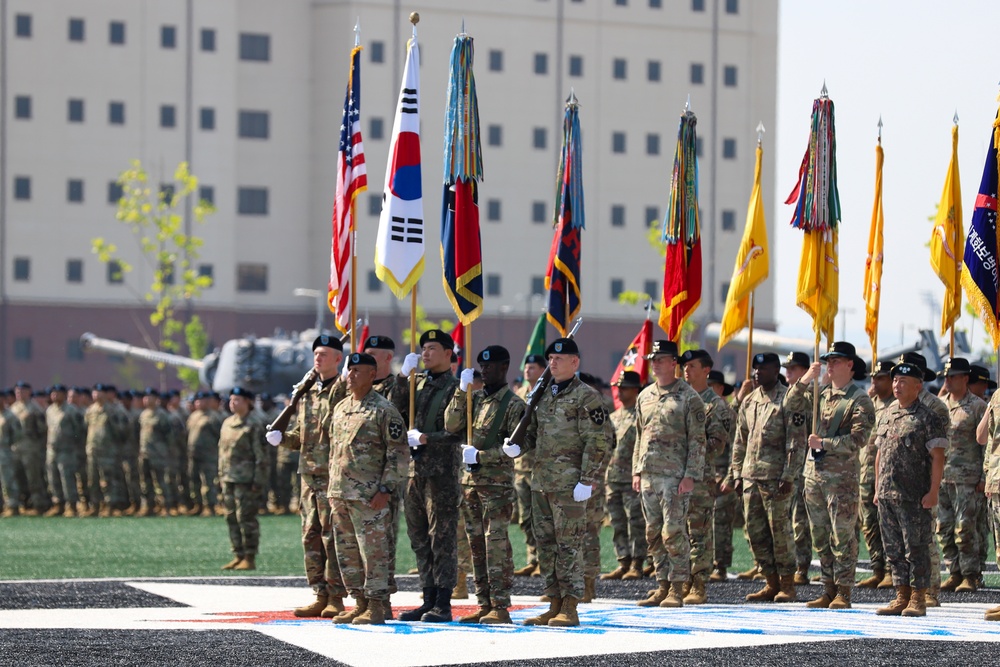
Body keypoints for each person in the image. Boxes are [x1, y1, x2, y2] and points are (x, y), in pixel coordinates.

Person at [509, 337, 611, 627]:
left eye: (559, 358)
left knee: (569, 546)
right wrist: (517, 446)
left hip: (569, 485)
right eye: (550, 359)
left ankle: (570, 606)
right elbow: (533, 433)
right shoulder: (543, 394)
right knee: (547, 545)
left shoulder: (586, 396)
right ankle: (553, 603)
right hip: (541, 481)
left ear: (575, 362)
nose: (552, 362)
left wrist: (587, 479)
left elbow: (597, 441)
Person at [266, 334, 349, 618]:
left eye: (324, 354)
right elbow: (303, 436)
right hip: (308, 474)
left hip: (331, 474)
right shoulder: (307, 393)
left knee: (332, 536)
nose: (318, 358)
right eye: (316, 353)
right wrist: (282, 439)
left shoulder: (342, 389)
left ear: (338, 359)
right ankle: (319, 593)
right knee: (310, 535)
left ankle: (336, 596)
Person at [790, 342, 876, 609]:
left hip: (841, 480)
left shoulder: (859, 399)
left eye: (836, 361)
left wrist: (824, 444)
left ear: (850, 365)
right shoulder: (820, 393)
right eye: (829, 360)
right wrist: (807, 379)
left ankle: (843, 591)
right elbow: (789, 403)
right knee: (819, 535)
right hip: (814, 475)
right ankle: (827, 588)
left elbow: (859, 439)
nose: (831, 365)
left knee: (842, 536)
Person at [444, 345, 526, 624]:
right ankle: (484, 603)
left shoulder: (514, 405)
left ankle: (500, 606)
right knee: (476, 544)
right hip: (469, 484)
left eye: (490, 366)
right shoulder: (473, 399)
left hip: (496, 486)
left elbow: (517, 447)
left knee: (497, 545)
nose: (485, 370)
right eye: (482, 366)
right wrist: (460, 390)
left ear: (504, 367)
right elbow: (451, 424)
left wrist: (482, 456)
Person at [325, 353, 407, 625]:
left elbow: (398, 454)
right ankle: (359, 601)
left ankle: (377, 604)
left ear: (372, 375)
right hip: (340, 493)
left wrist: (385, 489)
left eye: (357, 371)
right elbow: (334, 450)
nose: (350, 375)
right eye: (349, 371)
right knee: (346, 551)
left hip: (369, 495)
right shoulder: (340, 408)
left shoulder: (384, 410)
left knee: (373, 551)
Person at [723, 352, 808, 603]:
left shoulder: (789, 399)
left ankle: (787, 585)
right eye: (755, 370)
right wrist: (737, 474)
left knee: (780, 533)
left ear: (776, 370)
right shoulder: (750, 401)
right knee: (756, 531)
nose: (758, 373)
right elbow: (740, 441)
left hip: (776, 478)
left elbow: (797, 441)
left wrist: (789, 474)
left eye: (764, 369)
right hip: (750, 477)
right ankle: (769, 581)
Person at [390, 329, 462, 623]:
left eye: (432, 349)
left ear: (448, 353)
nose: (425, 354)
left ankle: (443, 602)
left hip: (441, 472)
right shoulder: (415, 385)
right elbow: (395, 409)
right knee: (419, 537)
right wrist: (402, 377)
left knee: (441, 538)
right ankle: (427, 598)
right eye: (423, 349)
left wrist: (426, 439)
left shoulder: (455, 388)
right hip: (413, 472)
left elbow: (457, 432)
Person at [633, 341, 707, 609]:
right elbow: (639, 437)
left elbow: (699, 440)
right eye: (653, 359)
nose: (655, 363)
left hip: (675, 477)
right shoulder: (645, 396)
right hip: (649, 475)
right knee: (652, 533)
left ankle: (677, 587)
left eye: (661, 359)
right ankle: (661, 585)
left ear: (673, 363)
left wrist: (691, 475)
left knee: (673, 531)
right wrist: (637, 471)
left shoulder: (689, 397)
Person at [873, 362, 947, 617]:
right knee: (893, 550)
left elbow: (938, 457)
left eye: (903, 382)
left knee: (915, 548)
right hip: (886, 494)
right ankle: (900, 595)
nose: (897, 385)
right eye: (895, 381)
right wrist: (876, 488)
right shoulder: (887, 414)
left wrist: (933, 491)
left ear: (918, 386)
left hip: (914, 495)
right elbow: (880, 454)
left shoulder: (928, 417)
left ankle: (918, 597)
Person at [680, 349, 734, 603]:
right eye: (684, 366)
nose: (686, 370)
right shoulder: (678, 399)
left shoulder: (716, 405)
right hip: (674, 475)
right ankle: (681, 581)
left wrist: (686, 446)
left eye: (692, 366)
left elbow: (717, 444)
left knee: (699, 530)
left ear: (705, 371)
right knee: (676, 530)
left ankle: (699, 583)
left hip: (700, 478)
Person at [935, 358, 987, 593]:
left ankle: (971, 574)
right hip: (942, 477)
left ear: (966, 378)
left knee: (965, 528)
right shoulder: (940, 405)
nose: (948, 379)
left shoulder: (977, 406)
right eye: (946, 376)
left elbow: (986, 445)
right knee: (943, 527)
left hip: (968, 478)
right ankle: (954, 572)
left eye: (953, 375)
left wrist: (984, 476)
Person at [601, 371, 646, 581]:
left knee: (635, 522)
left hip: (632, 479)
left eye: (624, 387)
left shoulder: (642, 415)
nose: (619, 391)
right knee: (617, 522)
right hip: (613, 478)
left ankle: (638, 563)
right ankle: (623, 561)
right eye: (618, 387)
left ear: (635, 390)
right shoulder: (613, 416)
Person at [218, 387, 268, 571]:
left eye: (237, 399)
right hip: (228, 478)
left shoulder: (254, 424)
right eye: (232, 399)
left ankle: (249, 556)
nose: (233, 403)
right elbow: (222, 453)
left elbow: (261, 456)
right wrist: (220, 476)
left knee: (245, 517)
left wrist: (259, 481)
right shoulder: (227, 423)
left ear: (248, 402)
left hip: (246, 479)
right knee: (231, 517)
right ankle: (238, 555)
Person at [857, 360, 896, 589]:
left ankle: (892, 570)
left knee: (888, 523)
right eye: (873, 377)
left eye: (880, 377)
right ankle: (877, 568)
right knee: (869, 524)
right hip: (866, 472)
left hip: (888, 473)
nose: (874, 381)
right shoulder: (868, 403)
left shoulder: (897, 405)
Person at [781, 351, 814, 584]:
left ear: (805, 371)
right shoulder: (788, 394)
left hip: (807, 466)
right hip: (787, 467)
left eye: (793, 368)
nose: (788, 372)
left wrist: (809, 380)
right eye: (787, 368)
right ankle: (789, 564)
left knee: (801, 520)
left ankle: (802, 567)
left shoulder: (814, 395)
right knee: (788, 519)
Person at [513, 353, 545, 576]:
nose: (528, 371)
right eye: (526, 367)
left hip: (539, 465)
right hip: (520, 466)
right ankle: (532, 557)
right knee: (525, 517)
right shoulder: (520, 394)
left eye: (533, 368)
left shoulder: (547, 393)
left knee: (542, 516)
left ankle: (544, 559)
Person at [707, 369, 738, 581]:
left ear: (720, 389)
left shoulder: (728, 414)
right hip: (702, 475)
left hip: (722, 476)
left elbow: (737, 447)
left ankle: (720, 565)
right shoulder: (698, 410)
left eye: (712, 387)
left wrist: (730, 476)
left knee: (720, 523)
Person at [976, 372, 1000, 621]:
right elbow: (981, 437)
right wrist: (991, 405)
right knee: (999, 547)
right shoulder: (997, 397)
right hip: (995, 481)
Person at [84, 384, 128, 517]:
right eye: (94, 392)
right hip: (92, 450)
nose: (96, 395)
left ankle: (110, 505)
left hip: (108, 451)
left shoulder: (113, 410)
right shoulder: (90, 410)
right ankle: (95, 505)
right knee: (92, 479)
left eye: (100, 392)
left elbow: (122, 430)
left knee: (108, 479)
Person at [44, 385, 86, 517]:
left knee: (67, 478)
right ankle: (58, 504)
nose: (54, 396)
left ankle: (71, 505)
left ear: (64, 395)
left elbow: (79, 430)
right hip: (52, 449)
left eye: (58, 393)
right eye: (53, 393)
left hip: (67, 450)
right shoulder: (50, 410)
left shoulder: (72, 410)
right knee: (53, 477)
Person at [10, 382, 47, 515]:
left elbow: (42, 430)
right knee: (18, 477)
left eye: (22, 391)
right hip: (16, 448)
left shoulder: (34, 408)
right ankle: (23, 504)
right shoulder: (13, 408)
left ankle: (38, 504)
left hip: (31, 448)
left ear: (29, 392)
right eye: (17, 391)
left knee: (33, 477)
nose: (19, 394)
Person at [138, 388, 175, 517]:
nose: (146, 400)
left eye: (150, 397)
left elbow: (169, 436)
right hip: (145, 453)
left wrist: (168, 452)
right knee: (145, 482)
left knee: (162, 481)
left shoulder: (162, 415)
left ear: (156, 399)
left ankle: (166, 507)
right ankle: (149, 506)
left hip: (158, 454)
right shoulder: (143, 414)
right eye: (145, 397)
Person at [187, 392, 223, 517]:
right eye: (197, 401)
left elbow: (220, 436)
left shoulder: (213, 417)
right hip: (193, 454)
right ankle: (198, 504)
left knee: (208, 482)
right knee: (194, 480)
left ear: (207, 402)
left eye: (202, 400)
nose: (198, 403)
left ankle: (210, 506)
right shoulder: (193, 416)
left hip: (208, 455)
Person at [0, 390, 23, 517]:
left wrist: (8, 446)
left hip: (5, 452)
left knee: (8, 480)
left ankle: (12, 505)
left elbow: (18, 435)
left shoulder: (10, 416)